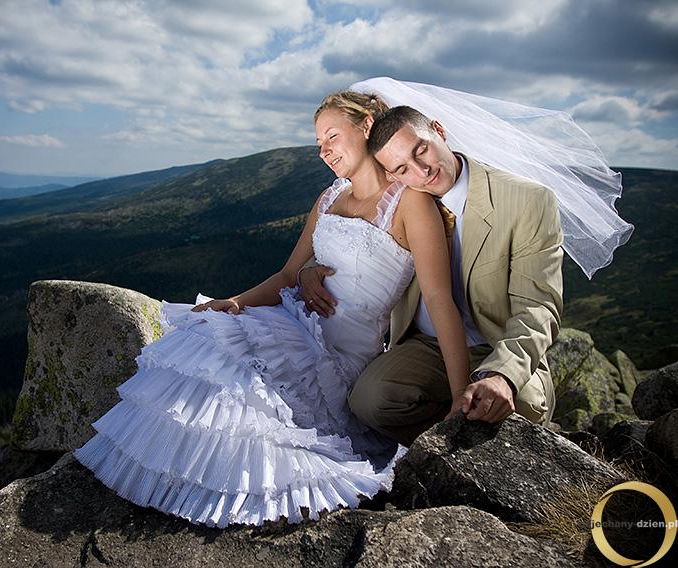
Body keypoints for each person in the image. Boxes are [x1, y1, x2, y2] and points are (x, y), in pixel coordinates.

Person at [73, 89, 471, 527]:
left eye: (332, 137)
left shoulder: (409, 202)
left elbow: (439, 300)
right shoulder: (328, 198)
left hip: (337, 355)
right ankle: (175, 469)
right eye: (320, 143)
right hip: (292, 322)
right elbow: (287, 274)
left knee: (246, 404)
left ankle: (214, 485)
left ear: (367, 127)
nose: (324, 151)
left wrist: (459, 400)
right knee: (207, 338)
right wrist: (237, 302)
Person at [299, 77, 633, 446]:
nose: (420, 171)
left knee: (503, 407)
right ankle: (439, 449)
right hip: (425, 346)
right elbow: (358, 251)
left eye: (421, 150)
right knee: (369, 401)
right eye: (401, 169)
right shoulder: (403, 199)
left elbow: (539, 309)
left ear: (439, 131)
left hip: (495, 345)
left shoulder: (526, 201)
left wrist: (503, 375)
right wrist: (308, 271)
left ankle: (480, 438)